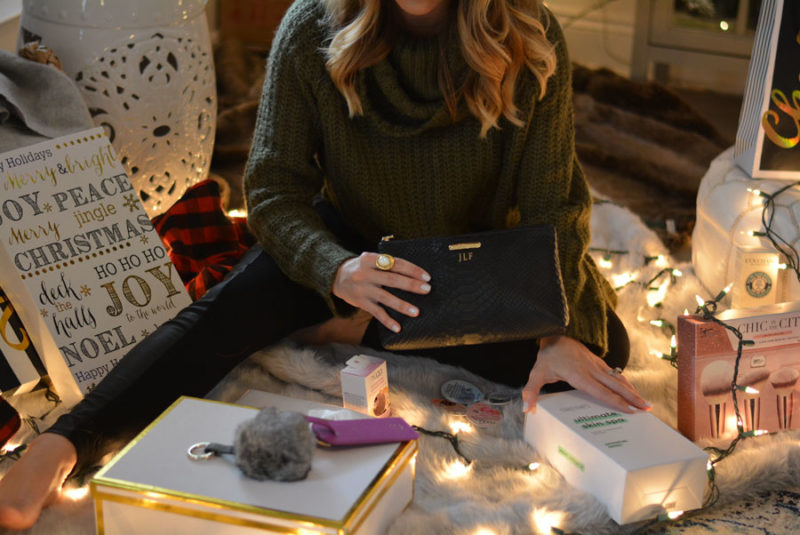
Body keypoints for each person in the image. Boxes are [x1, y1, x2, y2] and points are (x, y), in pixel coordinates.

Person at [0, 0, 650, 529]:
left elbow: (554, 206)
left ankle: (354, 328)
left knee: (599, 350)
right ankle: (60, 447)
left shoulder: (530, 34)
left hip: (474, 260)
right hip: (353, 247)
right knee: (223, 311)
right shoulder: (312, 26)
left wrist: (555, 332)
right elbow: (273, 186)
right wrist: (334, 269)